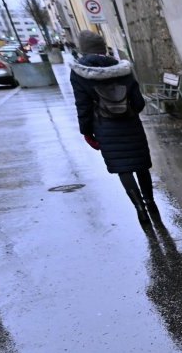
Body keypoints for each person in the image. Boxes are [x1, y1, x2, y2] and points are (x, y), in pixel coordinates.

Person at [69, 30, 160, 225]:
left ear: (83, 50)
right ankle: (150, 202)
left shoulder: (79, 73)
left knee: (123, 169)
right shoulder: (122, 68)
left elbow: (82, 105)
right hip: (130, 124)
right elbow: (139, 102)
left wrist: (86, 131)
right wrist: (128, 111)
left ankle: (139, 208)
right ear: (103, 47)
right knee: (141, 165)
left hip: (104, 127)